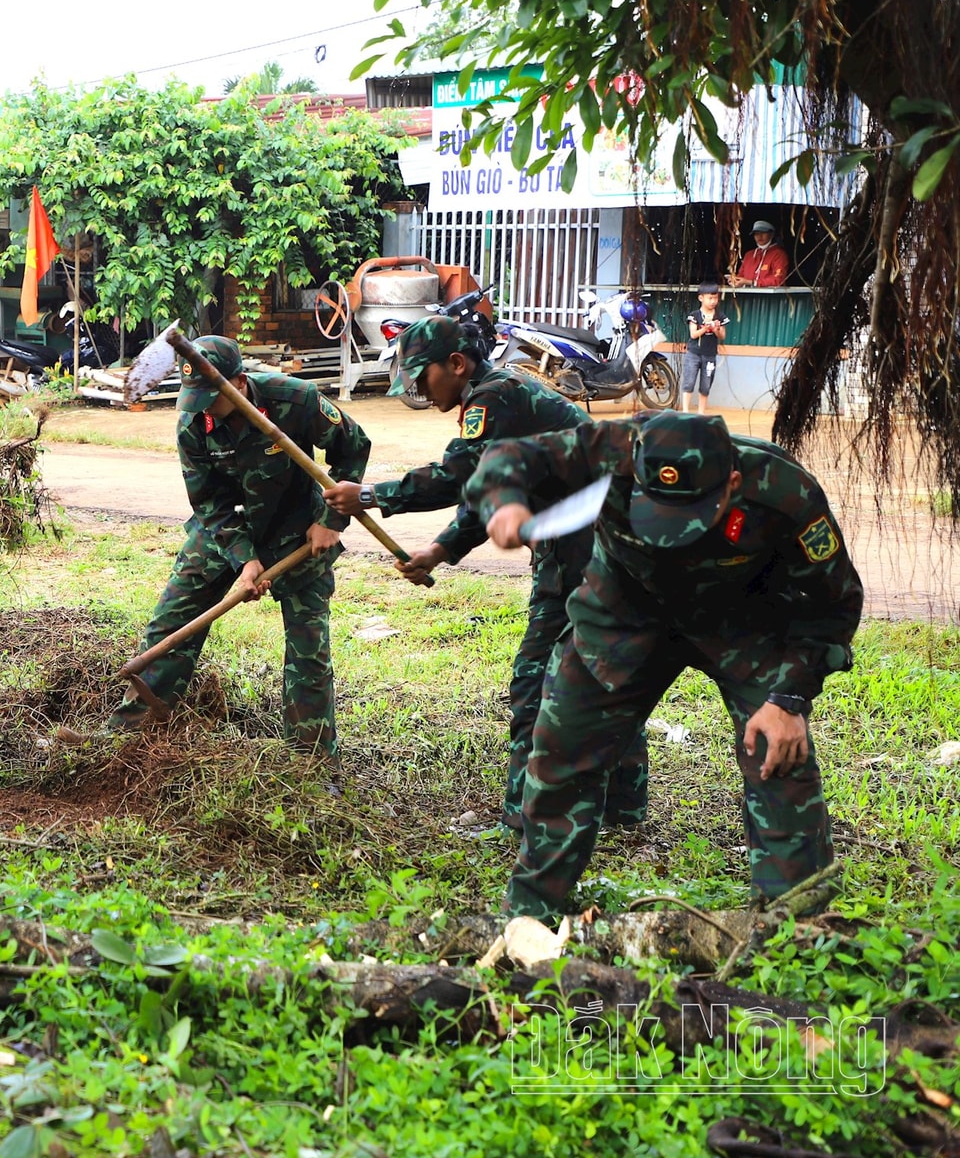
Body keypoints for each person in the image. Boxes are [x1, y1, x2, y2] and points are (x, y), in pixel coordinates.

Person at [467, 412, 862, 921]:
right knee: (564, 744)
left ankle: (797, 919)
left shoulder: (782, 490)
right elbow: (506, 458)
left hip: (743, 620)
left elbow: (835, 603)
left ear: (733, 483)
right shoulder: (609, 447)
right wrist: (505, 503)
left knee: (778, 753)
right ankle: (530, 913)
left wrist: (790, 697)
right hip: (625, 609)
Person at [319, 316, 647, 829]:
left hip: (586, 548)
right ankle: (623, 809)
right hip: (606, 541)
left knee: (535, 682)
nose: (421, 392)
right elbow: (488, 490)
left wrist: (369, 494)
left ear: (456, 364)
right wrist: (440, 550)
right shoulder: (505, 392)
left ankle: (527, 817)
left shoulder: (494, 397)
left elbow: (461, 475)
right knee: (606, 672)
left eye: (423, 377)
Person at [106, 336, 369, 754]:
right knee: (170, 621)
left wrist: (330, 519)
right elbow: (209, 501)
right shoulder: (193, 423)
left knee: (308, 649)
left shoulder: (296, 400)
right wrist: (244, 560)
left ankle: (312, 760)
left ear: (240, 383)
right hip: (224, 531)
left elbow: (354, 449)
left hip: (297, 530)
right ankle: (126, 737)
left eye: (213, 397)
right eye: (197, 399)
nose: (205, 407)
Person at [681, 281, 731, 414]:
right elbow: (693, 334)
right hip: (693, 353)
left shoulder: (720, 316)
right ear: (701, 298)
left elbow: (722, 336)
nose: (713, 301)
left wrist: (716, 329)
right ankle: (685, 411)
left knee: (706, 384)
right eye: (710, 298)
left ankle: (701, 412)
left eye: (716, 298)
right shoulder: (694, 315)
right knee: (689, 382)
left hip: (710, 354)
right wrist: (705, 328)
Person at [729, 219, 790, 287]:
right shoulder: (749, 255)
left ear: (772, 234)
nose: (759, 236)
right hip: (747, 295)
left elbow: (778, 279)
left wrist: (752, 282)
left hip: (768, 296)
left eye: (763, 233)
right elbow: (741, 275)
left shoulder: (779, 254)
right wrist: (735, 280)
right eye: (756, 234)